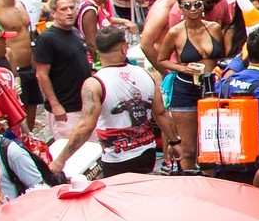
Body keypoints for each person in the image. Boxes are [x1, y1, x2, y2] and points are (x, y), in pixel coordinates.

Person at [51, 25, 177, 176]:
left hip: (117, 158)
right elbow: (161, 113)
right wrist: (174, 142)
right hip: (146, 153)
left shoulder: (95, 84)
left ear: (97, 52)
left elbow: (85, 126)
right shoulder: (145, 75)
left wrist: (60, 160)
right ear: (124, 48)